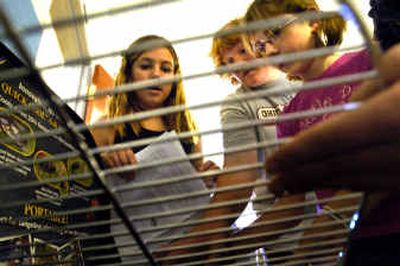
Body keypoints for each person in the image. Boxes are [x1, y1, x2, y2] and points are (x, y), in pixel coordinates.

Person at [243, 0, 368, 261]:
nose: (270, 50)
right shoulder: (290, 115)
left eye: (275, 32)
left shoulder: (367, 63)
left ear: (313, 20)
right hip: (352, 247)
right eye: (260, 47)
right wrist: (229, 245)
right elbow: (293, 202)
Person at [90, 35, 218, 263]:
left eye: (165, 68)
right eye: (146, 66)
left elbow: (194, 187)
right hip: (121, 251)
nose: (156, 74)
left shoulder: (189, 130)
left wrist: (205, 177)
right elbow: (84, 189)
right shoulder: (106, 128)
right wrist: (107, 164)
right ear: (129, 74)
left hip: (181, 250)